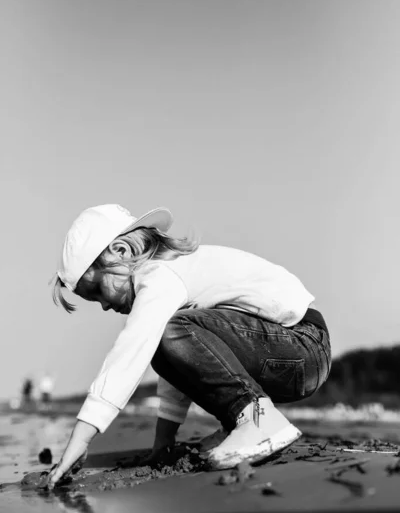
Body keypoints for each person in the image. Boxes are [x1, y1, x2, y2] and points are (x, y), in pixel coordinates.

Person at [43, 204, 331, 489]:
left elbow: (128, 354)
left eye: (97, 290)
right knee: (168, 338)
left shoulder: (160, 276)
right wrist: (163, 442)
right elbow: (185, 358)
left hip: (303, 344)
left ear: (121, 251)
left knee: (169, 331)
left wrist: (80, 438)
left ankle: (259, 419)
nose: (105, 305)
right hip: (288, 353)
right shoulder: (168, 278)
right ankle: (240, 422)